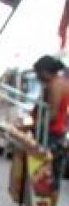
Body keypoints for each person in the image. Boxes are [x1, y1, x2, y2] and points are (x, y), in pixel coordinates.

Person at [33, 55, 69, 186]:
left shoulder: (55, 85)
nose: (38, 77)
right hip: (55, 133)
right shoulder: (58, 82)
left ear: (45, 72)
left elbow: (52, 114)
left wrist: (36, 125)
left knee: (47, 177)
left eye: (38, 74)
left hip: (52, 134)